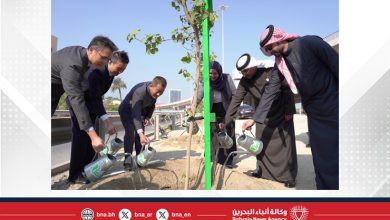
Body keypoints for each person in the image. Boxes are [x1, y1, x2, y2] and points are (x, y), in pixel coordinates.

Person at [244, 25, 339, 189]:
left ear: (280, 38)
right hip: (314, 111)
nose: (270, 51)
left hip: (333, 103)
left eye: (271, 46)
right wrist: (254, 119)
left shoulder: (310, 43)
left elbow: (336, 65)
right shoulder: (279, 65)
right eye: (267, 49)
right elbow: (270, 92)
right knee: (321, 155)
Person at [225, 53, 298, 188]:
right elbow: (236, 101)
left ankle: (288, 176)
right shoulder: (245, 81)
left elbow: (286, 88)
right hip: (261, 115)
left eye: (246, 70)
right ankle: (262, 170)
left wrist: (289, 110)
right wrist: (226, 122)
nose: (244, 73)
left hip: (281, 112)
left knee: (285, 144)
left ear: (253, 66)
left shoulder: (270, 70)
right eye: (242, 72)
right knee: (260, 143)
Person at [67, 51, 129, 184]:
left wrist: (103, 117)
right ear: (110, 62)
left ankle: (86, 169)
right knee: (80, 140)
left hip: (91, 108)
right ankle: (74, 175)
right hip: (80, 106)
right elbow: (96, 98)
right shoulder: (96, 72)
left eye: (123, 70)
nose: (120, 72)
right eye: (119, 69)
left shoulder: (111, 73)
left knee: (90, 143)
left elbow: (97, 98)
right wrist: (107, 121)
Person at [52, 36, 118, 154]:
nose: (105, 63)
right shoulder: (73, 65)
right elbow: (76, 98)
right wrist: (93, 136)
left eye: (107, 60)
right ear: (91, 50)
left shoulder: (82, 57)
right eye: (103, 58)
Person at [119, 76, 167, 170]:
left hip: (140, 111)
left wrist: (147, 117)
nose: (158, 94)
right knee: (130, 133)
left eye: (161, 92)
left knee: (141, 137)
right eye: (157, 91)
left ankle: (140, 159)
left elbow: (152, 105)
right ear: (151, 86)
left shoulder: (155, 93)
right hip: (127, 110)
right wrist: (140, 133)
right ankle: (127, 161)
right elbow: (135, 114)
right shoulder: (140, 91)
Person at [197, 61, 237, 168]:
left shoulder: (227, 78)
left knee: (227, 133)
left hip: (226, 109)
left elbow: (235, 95)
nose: (212, 76)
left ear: (219, 72)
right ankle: (213, 158)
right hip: (212, 110)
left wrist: (231, 113)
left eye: (215, 73)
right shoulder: (204, 81)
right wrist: (192, 107)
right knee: (212, 132)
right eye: (210, 73)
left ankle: (228, 160)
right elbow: (198, 96)